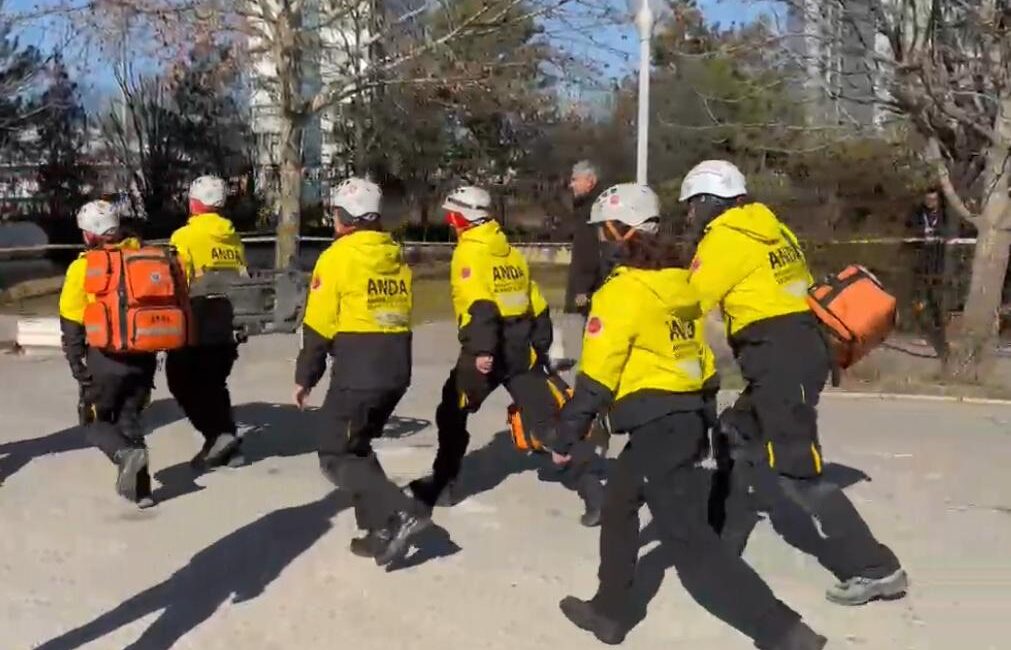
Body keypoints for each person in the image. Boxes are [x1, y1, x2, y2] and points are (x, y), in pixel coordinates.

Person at [551, 183, 825, 649]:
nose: (600, 241)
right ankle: (610, 610)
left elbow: (596, 378)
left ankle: (783, 631)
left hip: (660, 427)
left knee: (692, 547)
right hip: (685, 417)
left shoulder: (620, 294)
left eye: (604, 232)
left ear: (620, 233)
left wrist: (565, 438)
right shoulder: (678, 284)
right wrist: (702, 419)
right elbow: (703, 361)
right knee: (620, 499)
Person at [681, 160, 908, 607]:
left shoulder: (725, 238)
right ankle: (722, 543)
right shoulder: (774, 230)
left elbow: (688, 303)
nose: (690, 216)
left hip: (779, 358)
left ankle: (877, 568)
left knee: (798, 471)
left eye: (692, 207)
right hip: (797, 351)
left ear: (709, 201)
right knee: (736, 433)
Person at [409, 185, 604, 526]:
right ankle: (594, 495)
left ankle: (445, 485)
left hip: (491, 351)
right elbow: (537, 303)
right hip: (522, 351)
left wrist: (482, 350)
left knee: (452, 411)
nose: (449, 223)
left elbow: (479, 306)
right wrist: (540, 348)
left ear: (461, 218)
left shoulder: (470, 253)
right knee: (547, 426)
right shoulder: (508, 252)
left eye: (451, 216)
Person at [293, 177, 430, 566]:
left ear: (344, 217)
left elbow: (319, 325)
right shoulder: (394, 254)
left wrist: (306, 377)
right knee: (357, 447)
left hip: (360, 366)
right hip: (397, 364)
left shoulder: (337, 257)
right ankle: (380, 530)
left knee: (334, 454)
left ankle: (400, 510)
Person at [59, 200, 156, 508]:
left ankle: (124, 455)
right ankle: (142, 492)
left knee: (92, 418)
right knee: (129, 417)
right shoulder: (143, 255)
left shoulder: (83, 267)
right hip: (144, 355)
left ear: (90, 235)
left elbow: (72, 324)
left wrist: (78, 368)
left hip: (106, 357)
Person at [167, 176, 247, 470]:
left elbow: (178, 281)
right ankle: (229, 447)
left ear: (195, 203)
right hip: (229, 323)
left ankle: (218, 437)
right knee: (215, 383)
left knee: (181, 381)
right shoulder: (232, 237)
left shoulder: (184, 237)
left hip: (197, 322)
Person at [559, 160, 604, 368]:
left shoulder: (594, 209)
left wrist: (582, 289)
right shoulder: (586, 207)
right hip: (592, 283)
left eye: (575, 179)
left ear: (590, 181)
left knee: (594, 332)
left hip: (592, 286)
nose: (571, 184)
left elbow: (589, 251)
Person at [905, 188, 958, 357]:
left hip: (939, 267)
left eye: (933, 200)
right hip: (919, 266)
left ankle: (941, 344)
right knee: (917, 305)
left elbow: (952, 234)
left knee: (937, 306)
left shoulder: (945, 216)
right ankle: (926, 333)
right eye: (928, 200)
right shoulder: (917, 213)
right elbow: (909, 231)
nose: (930, 203)